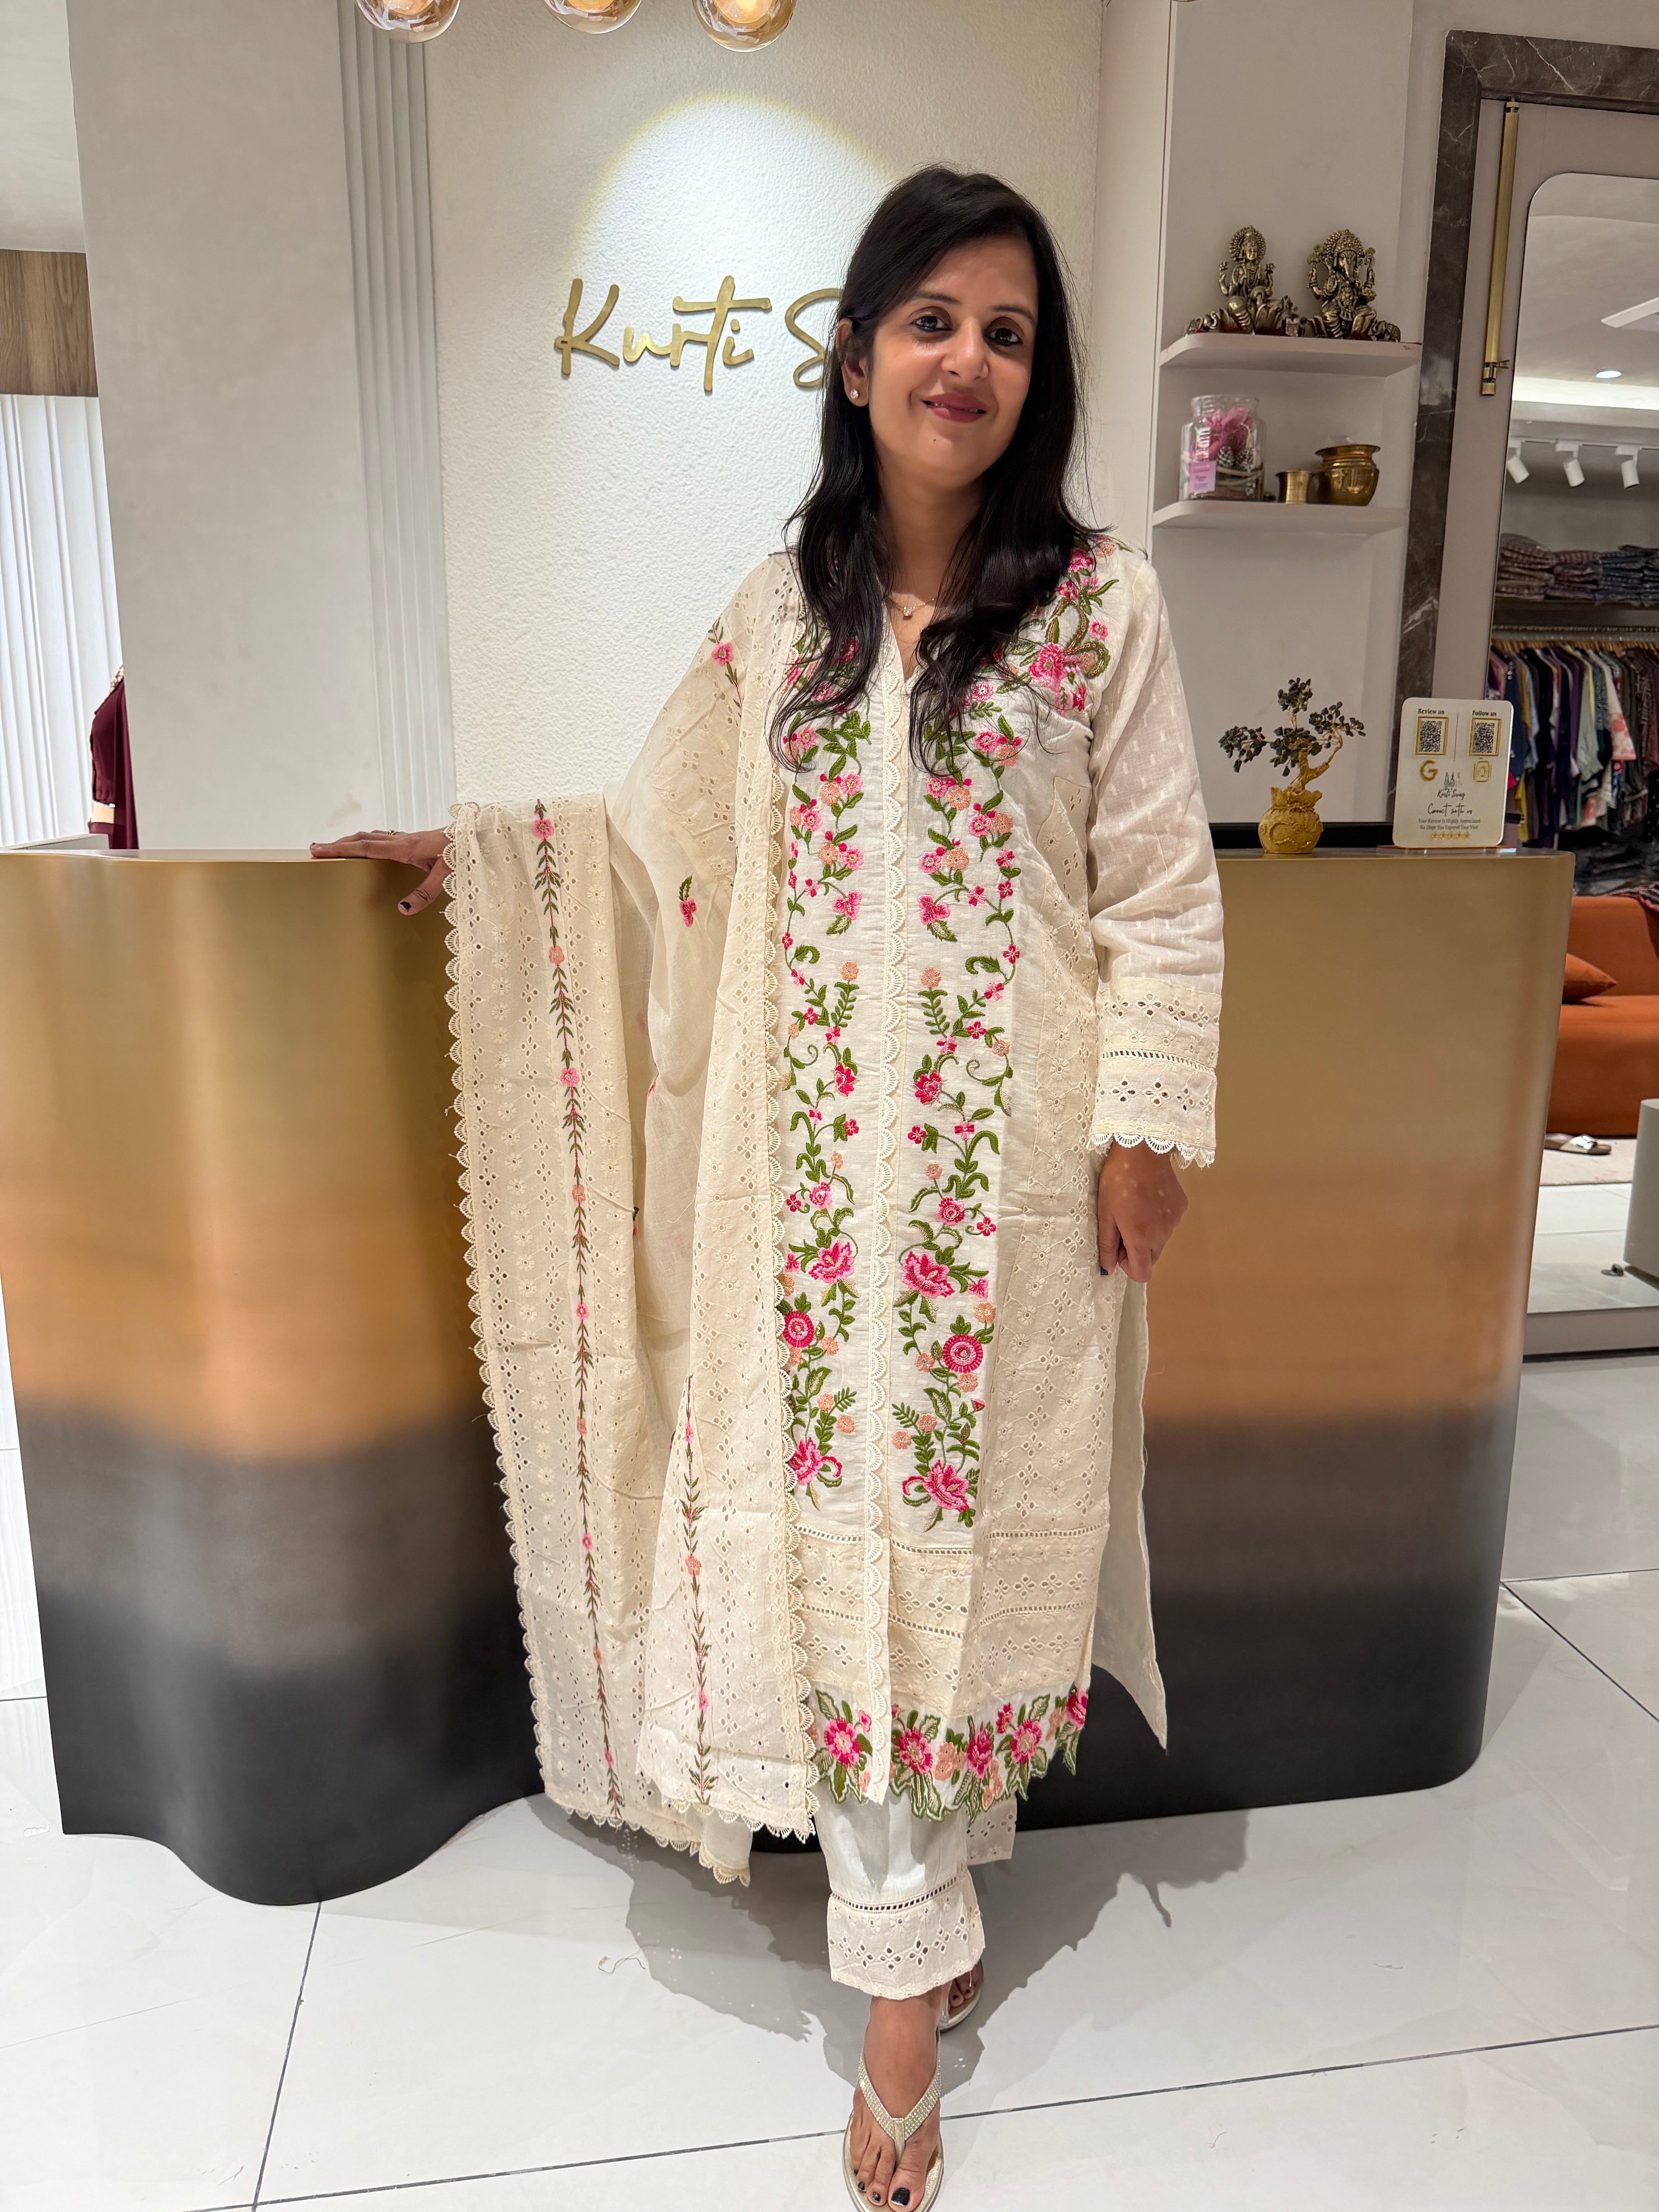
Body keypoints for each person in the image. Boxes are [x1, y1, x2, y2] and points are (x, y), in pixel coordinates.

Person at [314, 166, 1222, 2212]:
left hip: (1005, 1210)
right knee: (855, 1566)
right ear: (859, 351)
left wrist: (1148, 1131)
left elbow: (1163, 896)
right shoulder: (775, 622)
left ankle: (916, 1941)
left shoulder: (1102, 609)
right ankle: (905, 2003)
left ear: (1042, 374)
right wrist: (494, 862)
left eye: (1007, 331)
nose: (967, 360)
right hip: (807, 1214)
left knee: (958, 1566)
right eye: (933, 319)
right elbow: (653, 844)